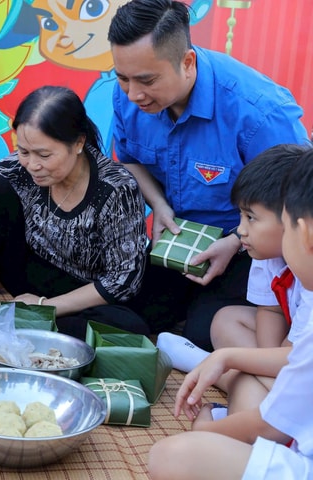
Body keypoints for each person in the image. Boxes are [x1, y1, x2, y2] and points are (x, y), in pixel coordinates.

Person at [107, 0, 310, 351]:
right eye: (122, 78)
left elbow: (298, 199)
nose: (133, 94)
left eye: (147, 81)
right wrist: (158, 207)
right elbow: (129, 160)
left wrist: (234, 242)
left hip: (248, 244)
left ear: (187, 63)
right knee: (131, 313)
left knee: (203, 330)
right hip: (178, 236)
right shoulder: (129, 96)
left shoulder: (258, 111)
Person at [147, 148, 313, 480]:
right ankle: (221, 366)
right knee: (228, 325)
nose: (241, 232)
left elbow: (271, 425)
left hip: (291, 433)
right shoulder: (271, 260)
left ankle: (214, 366)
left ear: (301, 230)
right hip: (288, 392)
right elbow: (271, 319)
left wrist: (206, 430)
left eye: (250, 218)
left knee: (174, 455)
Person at [0, 85, 150, 339]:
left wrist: (43, 307)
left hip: (85, 293)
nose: (33, 165)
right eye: (24, 151)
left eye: (44, 155)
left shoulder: (115, 188)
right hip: (32, 274)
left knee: (125, 327)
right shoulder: (21, 167)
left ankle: (20, 320)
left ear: (78, 142)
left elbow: (124, 280)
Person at [157, 144, 313, 373]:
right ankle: (250, 381)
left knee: (269, 383)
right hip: (294, 349)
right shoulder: (264, 254)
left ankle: (214, 372)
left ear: (292, 217)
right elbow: (270, 310)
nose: (241, 230)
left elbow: (298, 362)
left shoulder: (306, 271)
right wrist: (264, 362)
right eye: (241, 215)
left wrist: (232, 360)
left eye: (251, 217)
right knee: (226, 320)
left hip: (302, 359)